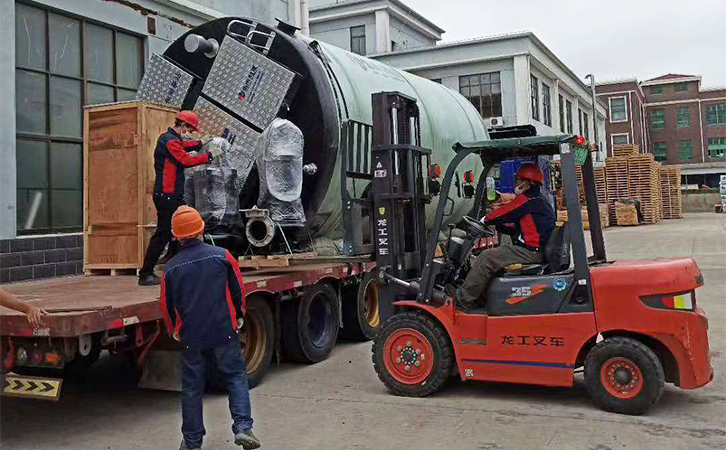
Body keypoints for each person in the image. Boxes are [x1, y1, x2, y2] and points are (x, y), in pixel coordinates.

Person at [160, 206, 260, 450]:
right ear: (201, 229)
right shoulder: (222, 256)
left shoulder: (170, 268)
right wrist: (239, 316)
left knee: (192, 389)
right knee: (236, 376)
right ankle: (243, 428)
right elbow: (237, 289)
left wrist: (175, 328)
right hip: (223, 329)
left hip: (191, 336)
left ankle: (192, 442)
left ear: (176, 236)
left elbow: (167, 305)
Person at [139, 111, 225, 286]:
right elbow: (184, 159)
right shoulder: (169, 140)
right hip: (167, 195)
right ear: (183, 126)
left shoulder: (171, 139)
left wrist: (200, 143)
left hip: (171, 195)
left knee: (178, 230)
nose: (189, 134)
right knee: (165, 233)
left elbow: (184, 146)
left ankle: (176, 264)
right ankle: (145, 273)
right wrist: (209, 156)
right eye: (190, 130)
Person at [455, 163, 556, 309]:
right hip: (535, 250)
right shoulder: (538, 200)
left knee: (487, 257)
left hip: (531, 252)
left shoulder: (527, 199)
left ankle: (462, 299)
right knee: (497, 257)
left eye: (517, 181)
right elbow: (523, 227)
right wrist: (500, 225)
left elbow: (507, 211)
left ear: (526, 182)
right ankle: (481, 298)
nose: (515, 184)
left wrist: (485, 219)